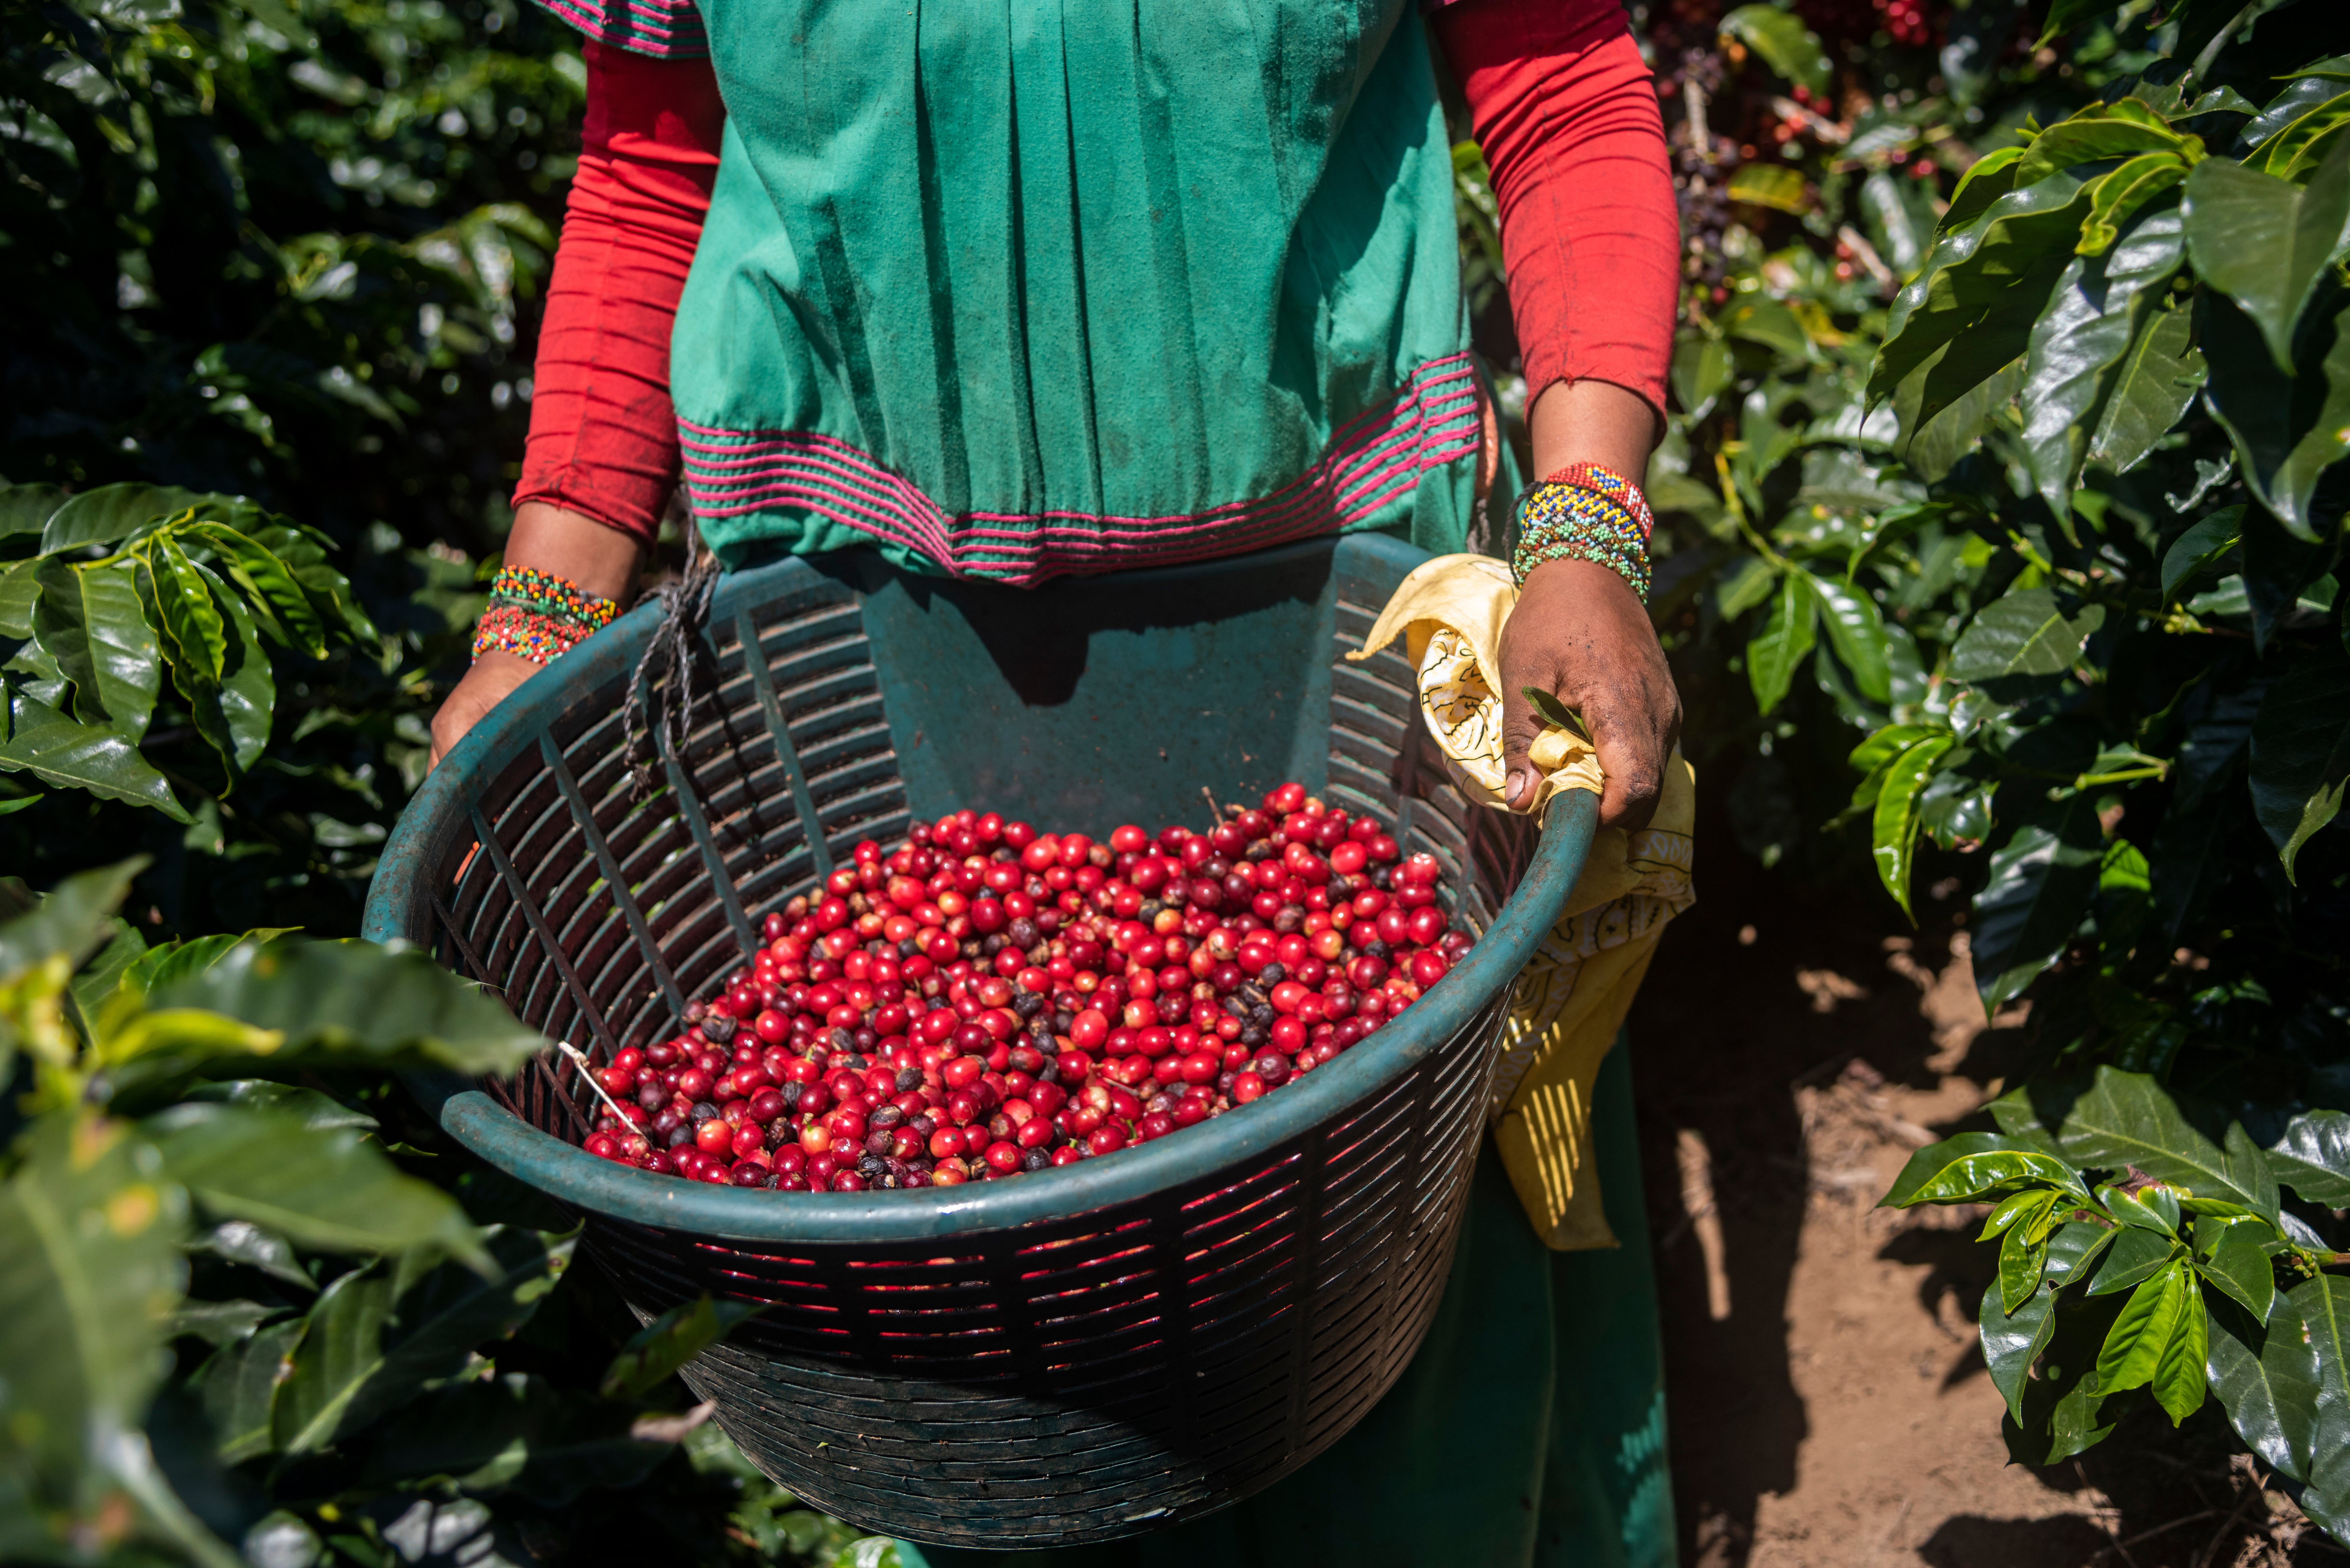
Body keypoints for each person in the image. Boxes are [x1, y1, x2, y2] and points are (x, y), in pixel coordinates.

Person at [431, 1, 1686, 1562]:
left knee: (1389, 1225)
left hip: (1337, 607)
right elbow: (648, 152)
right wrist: (539, 610)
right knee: (984, 1342)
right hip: (861, 628)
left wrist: (1584, 530)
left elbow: (1558, 79)